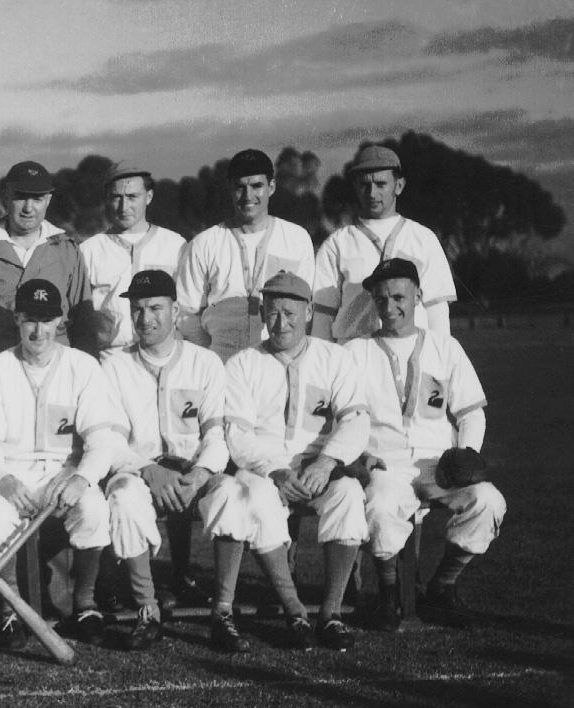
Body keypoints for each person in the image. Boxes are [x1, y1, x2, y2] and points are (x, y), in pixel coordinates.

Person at [344, 258, 505, 630]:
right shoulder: (356, 352)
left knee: (488, 501)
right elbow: (345, 418)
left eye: (399, 297)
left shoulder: (445, 347)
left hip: (439, 465)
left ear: (418, 295)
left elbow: (471, 413)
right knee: (381, 505)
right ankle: (388, 594)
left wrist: (467, 456)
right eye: (381, 299)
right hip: (385, 463)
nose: (391, 307)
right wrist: (361, 457)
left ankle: (442, 586)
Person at [222, 273, 370, 651]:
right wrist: (274, 469)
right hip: (266, 468)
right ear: (261, 313)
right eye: (272, 314)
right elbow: (237, 434)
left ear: (308, 313)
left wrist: (326, 462)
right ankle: (295, 612)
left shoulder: (335, 358)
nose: (281, 323)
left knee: (349, 493)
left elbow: (355, 419)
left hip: (319, 466)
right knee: (254, 497)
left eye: (290, 313)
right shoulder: (243, 364)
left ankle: (331, 614)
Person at [0, 279, 122, 647]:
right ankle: (9, 611)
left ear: (61, 321)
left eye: (46, 320)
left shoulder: (82, 367)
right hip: (11, 472)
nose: (38, 330)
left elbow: (102, 442)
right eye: (29, 320)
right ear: (17, 320)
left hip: (64, 471)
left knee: (94, 511)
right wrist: (2, 481)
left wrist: (81, 478)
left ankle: (84, 603)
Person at [101, 270, 233, 650]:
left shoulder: (204, 362)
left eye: (156, 308)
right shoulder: (114, 365)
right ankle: (147, 610)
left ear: (176, 312)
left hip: (194, 472)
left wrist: (201, 473)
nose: (146, 319)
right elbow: (108, 439)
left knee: (235, 495)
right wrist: (147, 469)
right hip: (139, 472)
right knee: (123, 497)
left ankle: (223, 611)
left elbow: (216, 435)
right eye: (138, 309)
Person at [0, 161, 95, 363]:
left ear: (48, 200)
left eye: (37, 198)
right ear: (6, 197)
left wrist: (87, 373)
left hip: (56, 370)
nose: (28, 208)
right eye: (20, 197)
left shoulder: (68, 251)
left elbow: (83, 325)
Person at [177, 149, 315, 362]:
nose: (248, 196)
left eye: (256, 186)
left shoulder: (297, 239)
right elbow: (187, 315)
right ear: (230, 190)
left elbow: (305, 308)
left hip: (280, 362)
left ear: (271, 187)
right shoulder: (204, 243)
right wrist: (210, 359)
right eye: (240, 187)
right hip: (221, 361)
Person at [312, 145, 456, 343]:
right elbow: (323, 316)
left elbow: (437, 311)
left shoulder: (423, 238)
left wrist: (440, 363)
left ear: (399, 186)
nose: (372, 193)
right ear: (355, 186)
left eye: (381, 184)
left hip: (411, 354)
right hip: (354, 358)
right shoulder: (337, 244)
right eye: (365, 185)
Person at [78, 163, 186, 357]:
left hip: (164, 356)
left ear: (149, 197)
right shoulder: (89, 250)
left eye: (132, 197)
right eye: (116, 198)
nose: (123, 206)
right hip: (109, 358)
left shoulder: (175, 245)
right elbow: (80, 317)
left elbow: (188, 308)